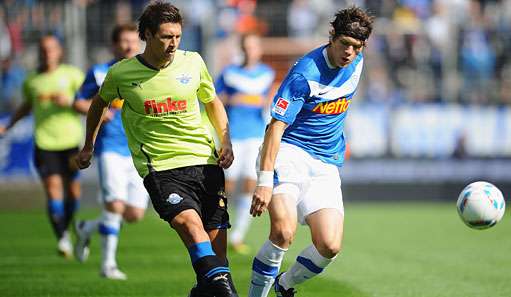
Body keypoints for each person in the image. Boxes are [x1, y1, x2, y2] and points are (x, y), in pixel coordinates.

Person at [75, 2, 238, 296]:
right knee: (190, 226)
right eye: (166, 37)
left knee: (216, 256)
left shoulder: (193, 62)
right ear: (147, 35)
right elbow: (99, 103)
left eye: (177, 36)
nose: (173, 44)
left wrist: (225, 139)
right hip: (161, 169)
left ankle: (204, 291)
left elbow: (212, 100)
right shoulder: (121, 73)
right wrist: (89, 145)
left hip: (205, 162)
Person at [247, 6, 374, 297]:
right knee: (283, 232)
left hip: (325, 163)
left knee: (329, 245)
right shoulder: (304, 74)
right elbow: (275, 128)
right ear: (332, 37)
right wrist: (265, 182)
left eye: (357, 47)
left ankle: (284, 285)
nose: (349, 53)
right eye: (344, 44)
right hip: (288, 155)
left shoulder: (357, 61)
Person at [72, 23, 148, 280]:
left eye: (133, 41)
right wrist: (97, 114)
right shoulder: (99, 73)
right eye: (124, 41)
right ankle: (108, 265)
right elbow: (79, 102)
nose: (129, 46)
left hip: (139, 150)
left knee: (134, 214)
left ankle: (87, 227)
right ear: (115, 45)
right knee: (114, 205)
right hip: (110, 149)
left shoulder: (146, 72)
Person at [0, 35, 85, 258]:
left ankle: (67, 228)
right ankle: (63, 238)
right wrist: (8, 125)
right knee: (53, 191)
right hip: (45, 143)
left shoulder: (72, 75)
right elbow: (26, 106)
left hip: (71, 143)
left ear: (59, 51)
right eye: (44, 50)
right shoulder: (32, 81)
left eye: (52, 49)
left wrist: (70, 103)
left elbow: (89, 104)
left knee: (74, 194)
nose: (48, 53)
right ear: (40, 52)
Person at [215, 32, 275, 254]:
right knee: (227, 186)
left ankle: (238, 234)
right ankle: (220, 227)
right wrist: (234, 99)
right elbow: (214, 99)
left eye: (254, 46)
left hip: (255, 135)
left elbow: (269, 100)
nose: (250, 50)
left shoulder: (266, 74)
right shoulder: (230, 73)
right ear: (242, 49)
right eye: (247, 46)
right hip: (233, 135)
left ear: (259, 49)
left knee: (250, 184)